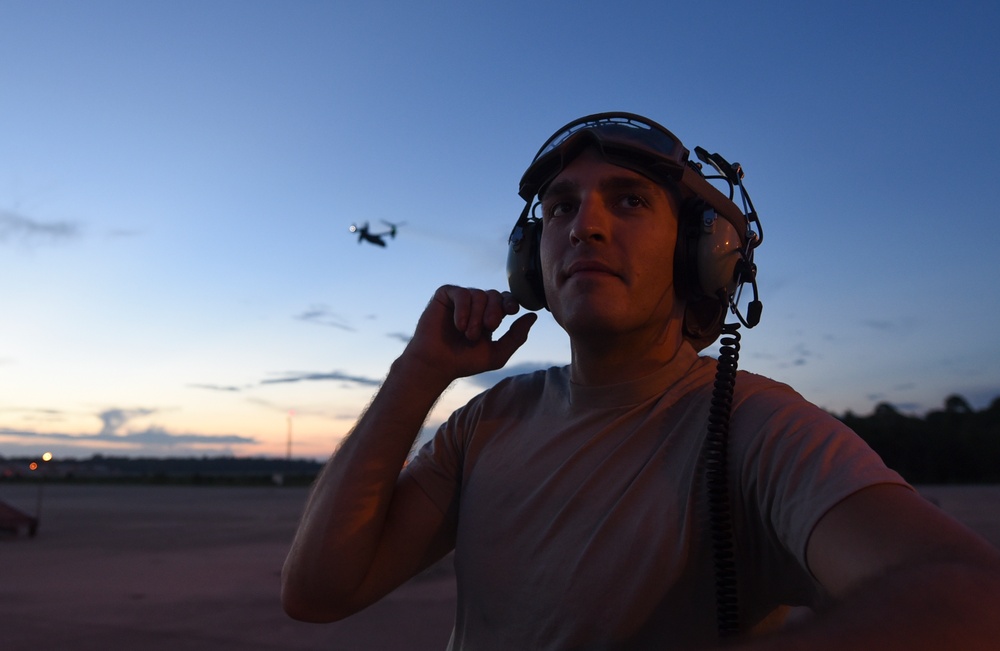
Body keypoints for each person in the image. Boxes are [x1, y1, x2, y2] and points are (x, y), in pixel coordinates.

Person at [282, 113, 1000, 649]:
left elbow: (970, 596)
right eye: (561, 206)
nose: (583, 225)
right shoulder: (485, 422)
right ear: (528, 263)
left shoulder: (756, 426)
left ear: (703, 256)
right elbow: (319, 590)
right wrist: (418, 372)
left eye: (628, 200)